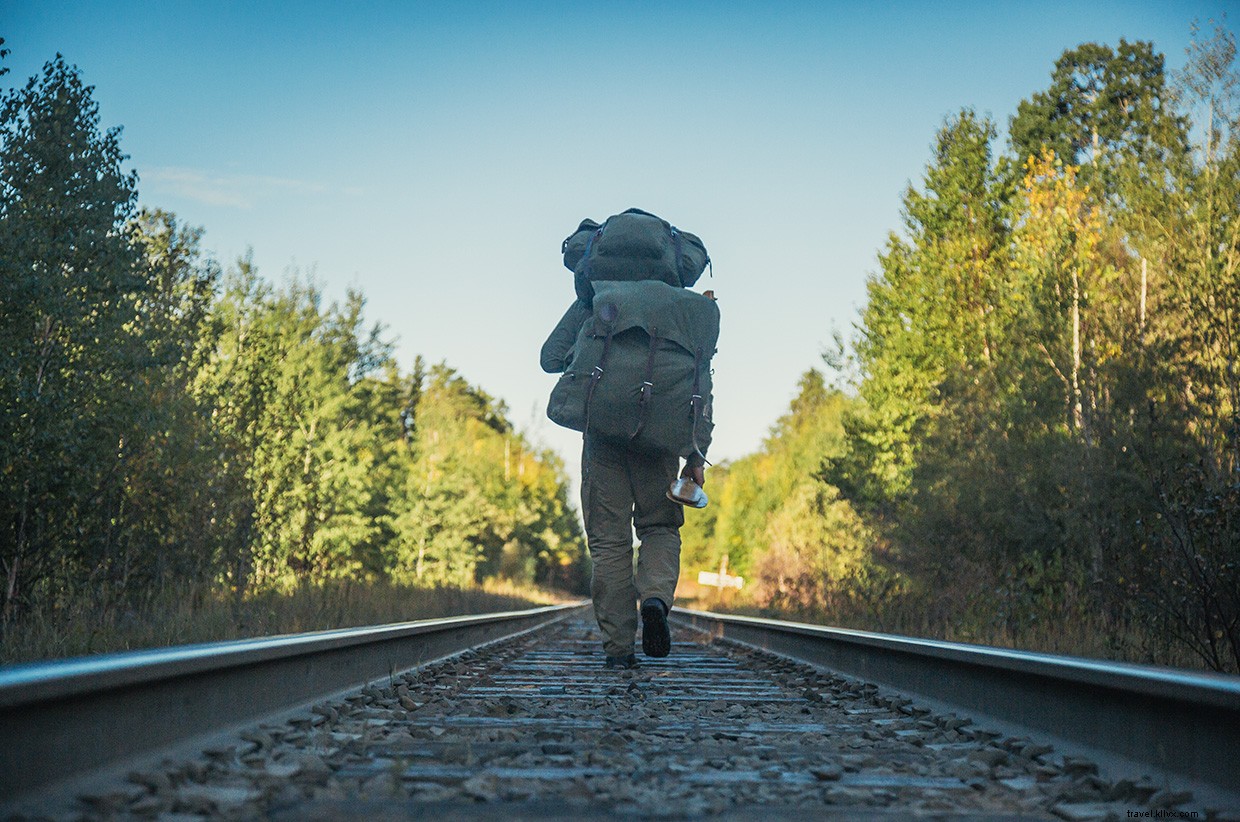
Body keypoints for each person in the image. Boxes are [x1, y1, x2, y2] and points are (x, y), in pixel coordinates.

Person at [541, 301, 707, 669]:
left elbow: (550, 358)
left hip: (602, 441)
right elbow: (700, 384)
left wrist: (586, 309)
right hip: (659, 441)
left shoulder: (599, 297)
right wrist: (696, 455)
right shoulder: (681, 307)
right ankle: (654, 600)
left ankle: (619, 650)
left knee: (610, 544)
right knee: (660, 528)